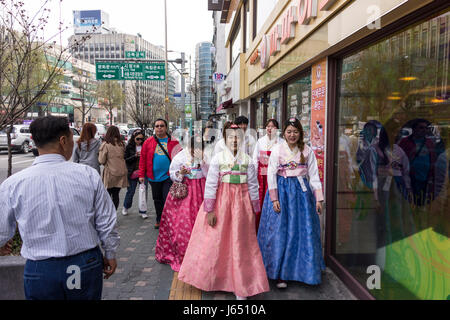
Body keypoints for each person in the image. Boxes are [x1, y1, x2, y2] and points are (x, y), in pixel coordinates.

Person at [0, 116, 119, 300]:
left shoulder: (13, 184)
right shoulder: (87, 175)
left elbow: (2, 230)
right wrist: (110, 252)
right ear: (63, 140)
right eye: (72, 138)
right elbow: (106, 219)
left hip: (40, 269)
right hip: (83, 263)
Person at [178, 124, 269, 300]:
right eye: (231, 137)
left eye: (238, 137)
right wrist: (209, 210)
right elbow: (211, 184)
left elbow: (253, 185)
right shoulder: (218, 158)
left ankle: (240, 283)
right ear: (225, 139)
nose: (234, 140)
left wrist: (254, 208)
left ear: (242, 139)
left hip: (242, 205)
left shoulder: (248, 160)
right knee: (218, 240)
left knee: (241, 243)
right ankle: (215, 278)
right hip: (222, 203)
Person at [257, 118, 325, 289]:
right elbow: (271, 174)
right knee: (279, 231)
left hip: (302, 195)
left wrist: (318, 199)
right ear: (284, 133)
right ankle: (280, 273)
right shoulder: (277, 150)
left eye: (295, 131)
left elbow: (314, 176)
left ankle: (304, 271)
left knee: (303, 231)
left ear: (300, 133)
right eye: (289, 131)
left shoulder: (307, 151)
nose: (292, 135)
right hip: (282, 193)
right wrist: (274, 198)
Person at [155, 136, 208, 272]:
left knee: (202, 224)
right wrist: (181, 174)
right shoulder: (180, 157)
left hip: (202, 192)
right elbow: (173, 175)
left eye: (198, 148)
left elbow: (210, 174)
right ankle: (184, 254)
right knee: (183, 222)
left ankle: (202, 256)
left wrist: (203, 162)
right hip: (185, 193)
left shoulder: (206, 157)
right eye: (192, 148)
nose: (194, 151)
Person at [139, 119, 182, 229]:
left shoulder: (174, 142)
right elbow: (142, 159)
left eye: (161, 126)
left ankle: (168, 220)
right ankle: (159, 218)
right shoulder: (148, 142)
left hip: (168, 176)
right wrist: (141, 175)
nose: (159, 128)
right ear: (154, 128)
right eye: (157, 126)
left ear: (166, 128)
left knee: (166, 198)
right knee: (157, 199)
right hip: (153, 177)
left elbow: (180, 158)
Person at [252, 119, 283, 232]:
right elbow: (255, 160)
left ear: (277, 129)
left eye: (273, 126)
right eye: (268, 126)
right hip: (262, 177)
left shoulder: (281, 142)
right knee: (260, 202)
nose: (270, 128)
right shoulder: (260, 141)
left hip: (275, 176)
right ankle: (259, 228)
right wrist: (254, 178)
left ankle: (273, 228)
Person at [98, 126, 129, 210]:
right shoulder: (121, 144)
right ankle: (114, 215)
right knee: (116, 195)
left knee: (107, 196)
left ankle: (109, 216)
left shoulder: (106, 145)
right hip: (121, 172)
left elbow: (101, 160)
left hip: (110, 173)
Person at [122, 129, 148, 219]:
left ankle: (143, 211)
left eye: (141, 139)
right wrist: (135, 156)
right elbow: (125, 159)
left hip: (143, 172)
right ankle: (126, 206)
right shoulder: (129, 147)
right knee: (131, 192)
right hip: (132, 172)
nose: (139, 141)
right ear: (133, 138)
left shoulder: (145, 146)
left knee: (144, 192)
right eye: (137, 139)